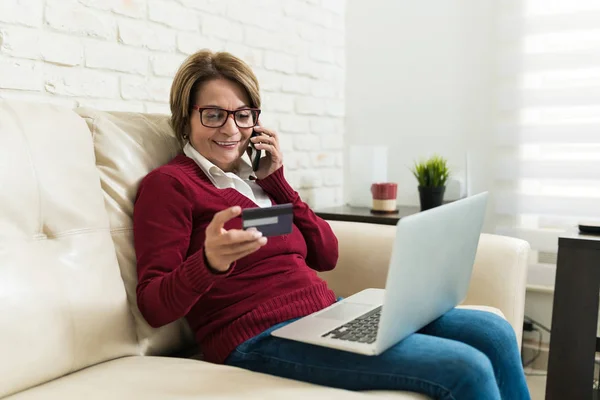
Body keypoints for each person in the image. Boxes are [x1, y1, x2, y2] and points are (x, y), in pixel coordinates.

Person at [133, 49, 530, 400]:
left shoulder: (258, 183)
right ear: (185, 119)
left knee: (492, 332)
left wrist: (278, 181)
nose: (232, 129)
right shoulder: (170, 187)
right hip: (256, 337)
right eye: (214, 114)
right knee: (465, 367)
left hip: (325, 314)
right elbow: (153, 305)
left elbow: (326, 253)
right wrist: (208, 262)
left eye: (243, 115)